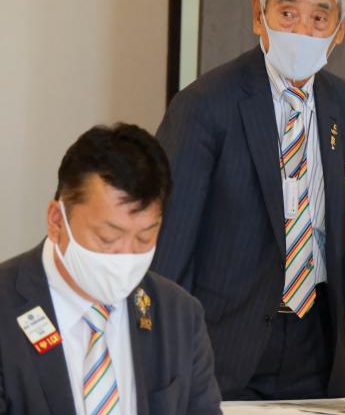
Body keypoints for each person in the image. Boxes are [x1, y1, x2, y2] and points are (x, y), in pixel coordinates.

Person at [152, 0, 345, 400]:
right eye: (287, 14)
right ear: (258, 16)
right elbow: (171, 242)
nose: (302, 31)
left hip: (315, 343)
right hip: (221, 345)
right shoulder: (205, 106)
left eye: (319, 18)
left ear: (341, 28)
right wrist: (167, 355)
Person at [0, 123, 221, 415]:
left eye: (144, 238)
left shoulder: (179, 315)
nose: (126, 256)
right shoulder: (5, 306)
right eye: (108, 238)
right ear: (56, 221)